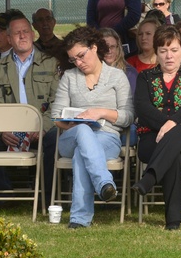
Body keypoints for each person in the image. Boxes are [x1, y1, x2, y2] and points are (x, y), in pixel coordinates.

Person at [51, 27, 134, 229]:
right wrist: (74, 122)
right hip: (71, 136)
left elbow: (128, 116)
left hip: (107, 138)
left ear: (94, 48)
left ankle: (79, 219)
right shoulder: (69, 77)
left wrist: (100, 112)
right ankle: (104, 183)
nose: (78, 63)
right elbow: (56, 117)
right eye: (73, 60)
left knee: (82, 153)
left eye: (81, 56)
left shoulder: (117, 76)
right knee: (83, 131)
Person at [0, 11, 61, 201]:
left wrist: (42, 127)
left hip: (42, 127)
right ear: (9, 38)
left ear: (33, 34)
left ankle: (46, 197)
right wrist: (2, 131)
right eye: (17, 33)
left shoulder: (50, 63)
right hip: (9, 129)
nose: (22, 36)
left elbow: (57, 103)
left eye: (26, 31)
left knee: (55, 141)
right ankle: (4, 196)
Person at [133, 25, 181, 230]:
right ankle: (174, 219)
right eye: (163, 51)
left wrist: (172, 124)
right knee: (172, 151)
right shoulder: (145, 77)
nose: (169, 56)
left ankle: (149, 178)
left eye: (174, 50)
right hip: (151, 138)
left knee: (179, 132)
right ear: (156, 52)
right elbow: (142, 107)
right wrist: (167, 125)